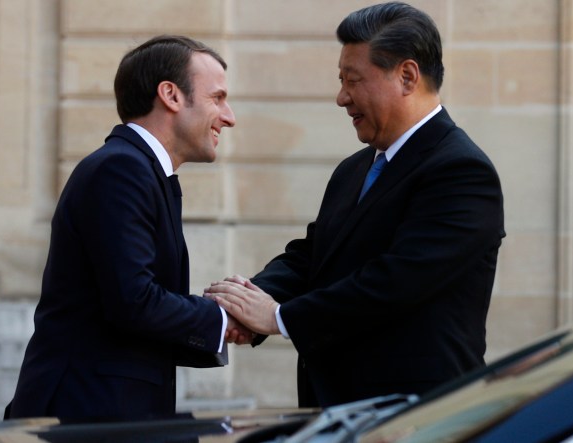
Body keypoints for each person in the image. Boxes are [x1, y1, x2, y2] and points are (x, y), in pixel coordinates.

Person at [205, 2, 505, 408]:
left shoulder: (461, 171)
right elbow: (311, 257)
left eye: (354, 80)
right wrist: (245, 300)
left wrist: (278, 317)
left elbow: (395, 282)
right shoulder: (355, 168)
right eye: (341, 80)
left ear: (407, 76)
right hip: (337, 412)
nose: (341, 97)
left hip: (414, 418)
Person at [6, 35, 248, 422]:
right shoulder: (122, 170)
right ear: (170, 95)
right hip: (86, 415)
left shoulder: (140, 170)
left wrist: (223, 320)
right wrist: (221, 318)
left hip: (108, 408)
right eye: (216, 98)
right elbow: (133, 300)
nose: (229, 116)